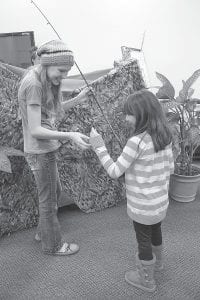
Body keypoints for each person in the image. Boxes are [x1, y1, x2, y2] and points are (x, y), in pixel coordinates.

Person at [89, 90, 174, 292]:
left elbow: (114, 171)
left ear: (142, 114)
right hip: (160, 203)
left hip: (142, 206)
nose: (126, 118)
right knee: (155, 230)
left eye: (129, 114)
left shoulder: (135, 142)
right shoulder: (165, 135)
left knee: (143, 239)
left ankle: (146, 280)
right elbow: (170, 167)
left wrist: (99, 147)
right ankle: (158, 263)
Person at [18, 40, 91, 256]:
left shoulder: (40, 79)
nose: (64, 76)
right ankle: (53, 245)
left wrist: (78, 99)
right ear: (48, 64)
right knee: (48, 201)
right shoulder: (33, 84)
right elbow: (36, 130)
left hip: (43, 150)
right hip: (40, 151)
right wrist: (69, 135)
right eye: (62, 70)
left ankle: (44, 232)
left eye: (67, 71)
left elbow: (51, 111)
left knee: (53, 192)